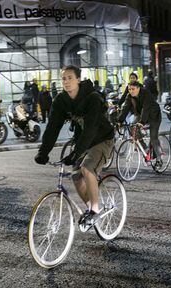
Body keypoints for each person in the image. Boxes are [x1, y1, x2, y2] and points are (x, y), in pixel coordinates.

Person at [34, 65, 114, 227]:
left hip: (102, 139)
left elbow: (91, 129)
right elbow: (52, 128)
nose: (66, 82)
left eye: (70, 78)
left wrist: (76, 152)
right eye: (64, 78)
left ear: (78, 79)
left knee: (86, 168)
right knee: (76, 176)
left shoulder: (92, 98)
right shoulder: (61, 101)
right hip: (83, 141)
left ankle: (96, 210)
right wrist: (43, 152)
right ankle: (90, 207)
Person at [117, 81, 163, 168]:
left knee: (153, 138)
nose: (131, 91)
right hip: (141, 115)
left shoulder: (146, 93)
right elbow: (125, 108)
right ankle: (145, 149)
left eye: (133, 89)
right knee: (132, 129)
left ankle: (159, 159)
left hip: (154, 115)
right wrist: (119, 121)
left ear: (138, 88)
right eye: (129, 89)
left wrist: (142, 122)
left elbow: (146, 108)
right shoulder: (129, 96)